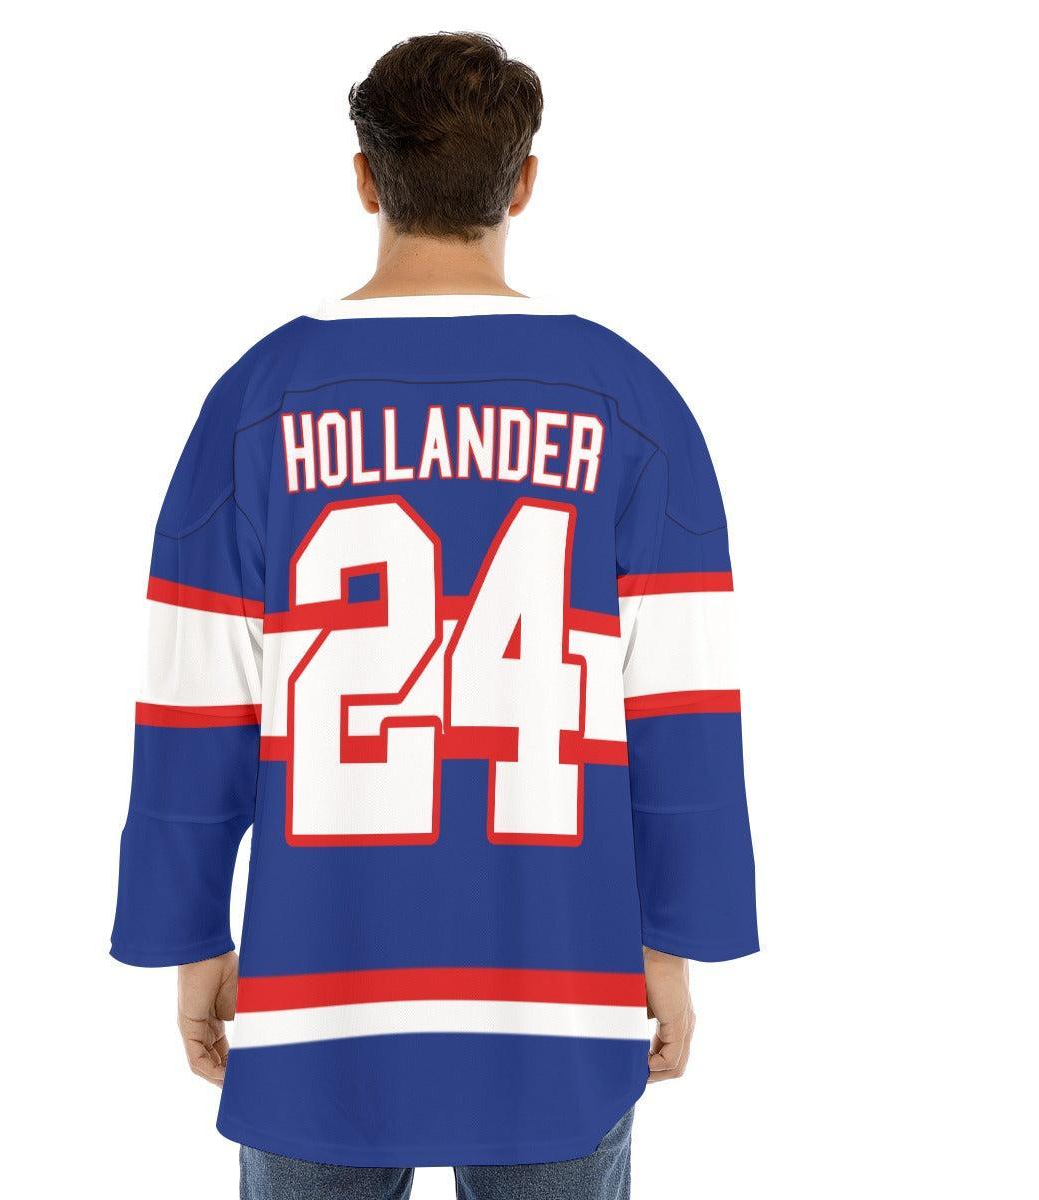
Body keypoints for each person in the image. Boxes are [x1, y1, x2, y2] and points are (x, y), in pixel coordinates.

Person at [111, 31, 758, 1200]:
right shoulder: (629, 403)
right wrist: (671, 945)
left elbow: (193, 706)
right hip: (559, 988)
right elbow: (684, 711)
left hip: (320, 990)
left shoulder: (257, 402)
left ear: (366, 179)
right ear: (524, 183)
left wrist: (190, 935)